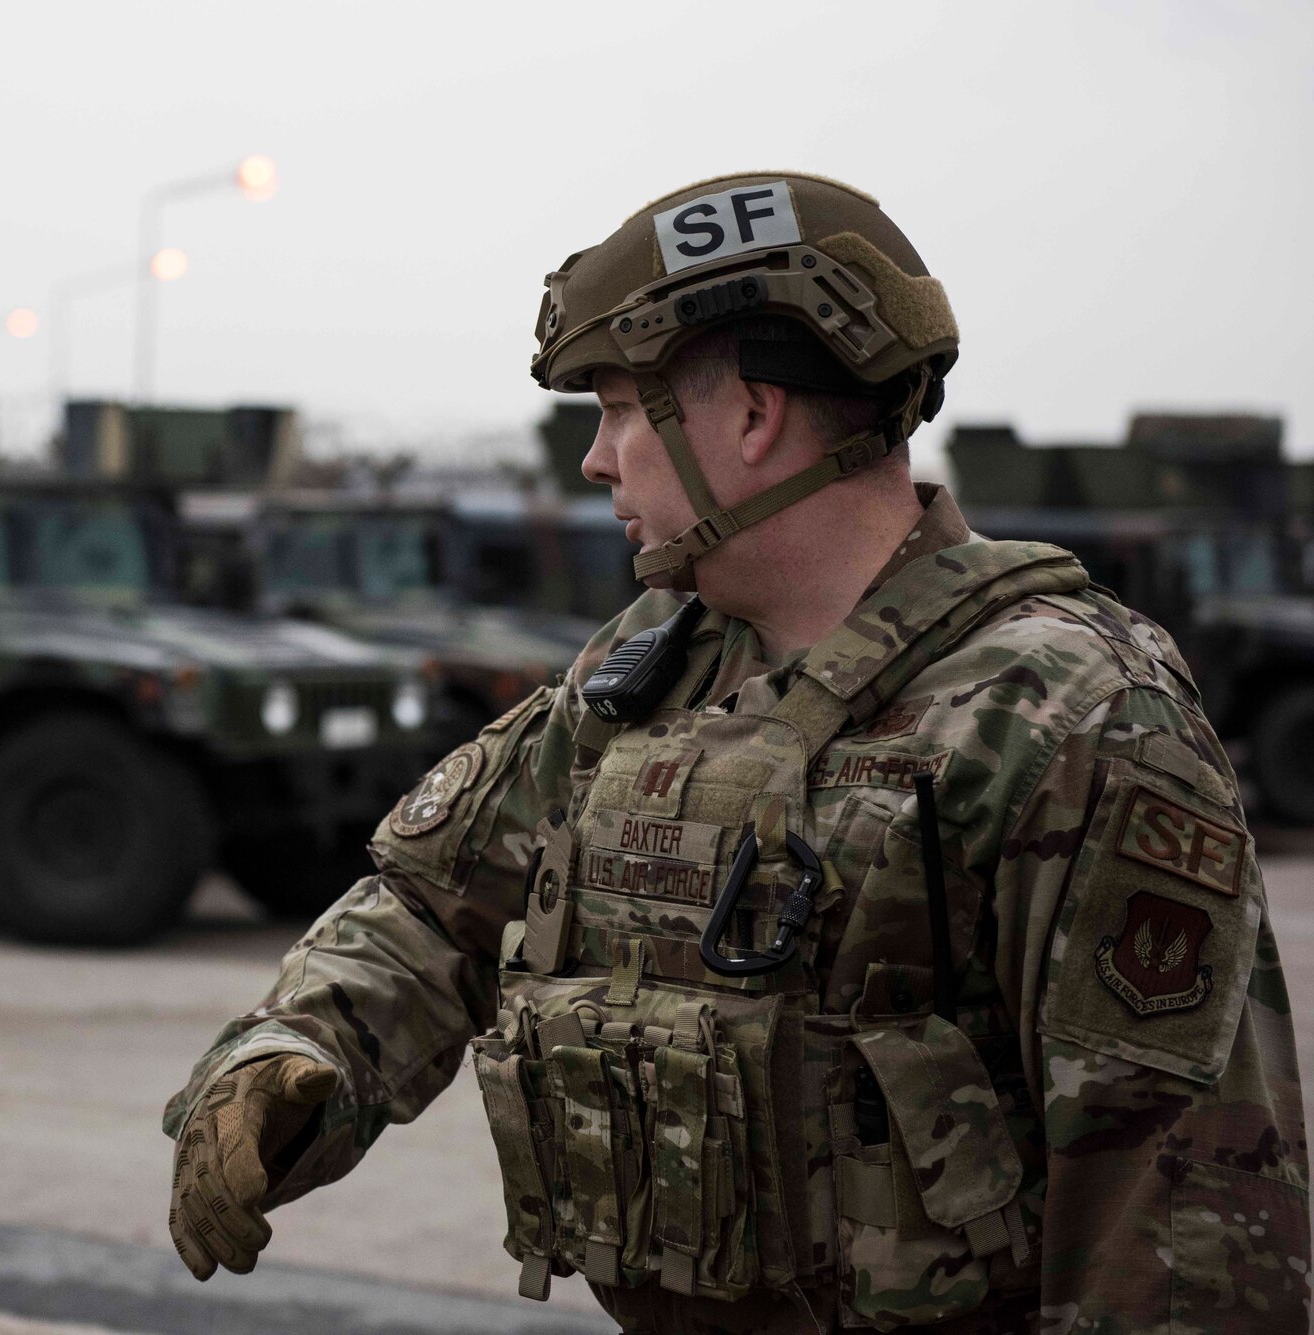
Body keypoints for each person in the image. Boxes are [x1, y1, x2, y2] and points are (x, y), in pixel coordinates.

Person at [163, 172, 1310, 1332]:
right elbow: (432, 904)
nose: (595, 461)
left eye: (617, 410)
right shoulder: (653, 664)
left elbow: (1180, 1227)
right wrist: (294, 1051)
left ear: (751, 419)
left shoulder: (1066, 713)